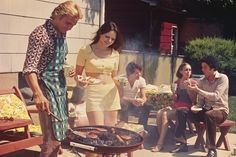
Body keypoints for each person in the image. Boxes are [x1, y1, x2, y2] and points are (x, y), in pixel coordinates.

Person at [22, 1, 82, 157]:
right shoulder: (40, 34)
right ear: (57, 16)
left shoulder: (61, 32)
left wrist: (67, 68)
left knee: (59, 136)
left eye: (73, 25)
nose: (70, 27)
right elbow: (29, 69)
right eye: (68, 23)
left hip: (60, 89)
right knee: (51, 142)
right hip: (46, 90)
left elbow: (58, 59)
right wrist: (37, 94)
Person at [75, 21, 123, 157]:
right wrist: (80, 81)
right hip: (94, 94)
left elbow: (114, 76)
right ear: (101, 33)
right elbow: (78, 74)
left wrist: (121, 85)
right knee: (96, 133)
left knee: (109, 134)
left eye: (113, 39)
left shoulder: (115, 54)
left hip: (111, 94)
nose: (109, 41)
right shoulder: (85, 50)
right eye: (107, 36)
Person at [172, 56, 229, 157]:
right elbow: (201, 101)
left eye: (205, 67)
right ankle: (182, 143)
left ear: (212, 68)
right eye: (202, 67)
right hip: (205, 110)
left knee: (209, 114)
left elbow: (216, 96)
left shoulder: (222, 78)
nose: (202, 69)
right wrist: (195, 107)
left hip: (220, 111)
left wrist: (197, 90)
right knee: (182, 111)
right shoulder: (202, 81)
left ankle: (212, 150)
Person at [151, 62, 197, 152]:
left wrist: (188, 89)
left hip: (186, 108)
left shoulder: (193, 82)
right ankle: (164, 140)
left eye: (190, 70)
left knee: (164, 114)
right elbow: (175, 100)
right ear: (181, 71)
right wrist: (174, 93)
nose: (188, 72)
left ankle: (160, 144)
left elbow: (194, 100)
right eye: (186, 70)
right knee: (159, 112)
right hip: (176, 106)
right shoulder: (177, 83)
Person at [119, 61, 151, 129]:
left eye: (140, 72)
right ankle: (123, 127)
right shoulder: (122, 80)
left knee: (147, 106)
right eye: (136, 73)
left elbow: (144, 97)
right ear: (129, 73)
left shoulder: (141, 80)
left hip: (134, 103)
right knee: (124, 105)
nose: (139, 74)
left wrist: (141, 101)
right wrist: (132, 100)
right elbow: (121, 97)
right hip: (123, 103)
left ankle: (142, 127)